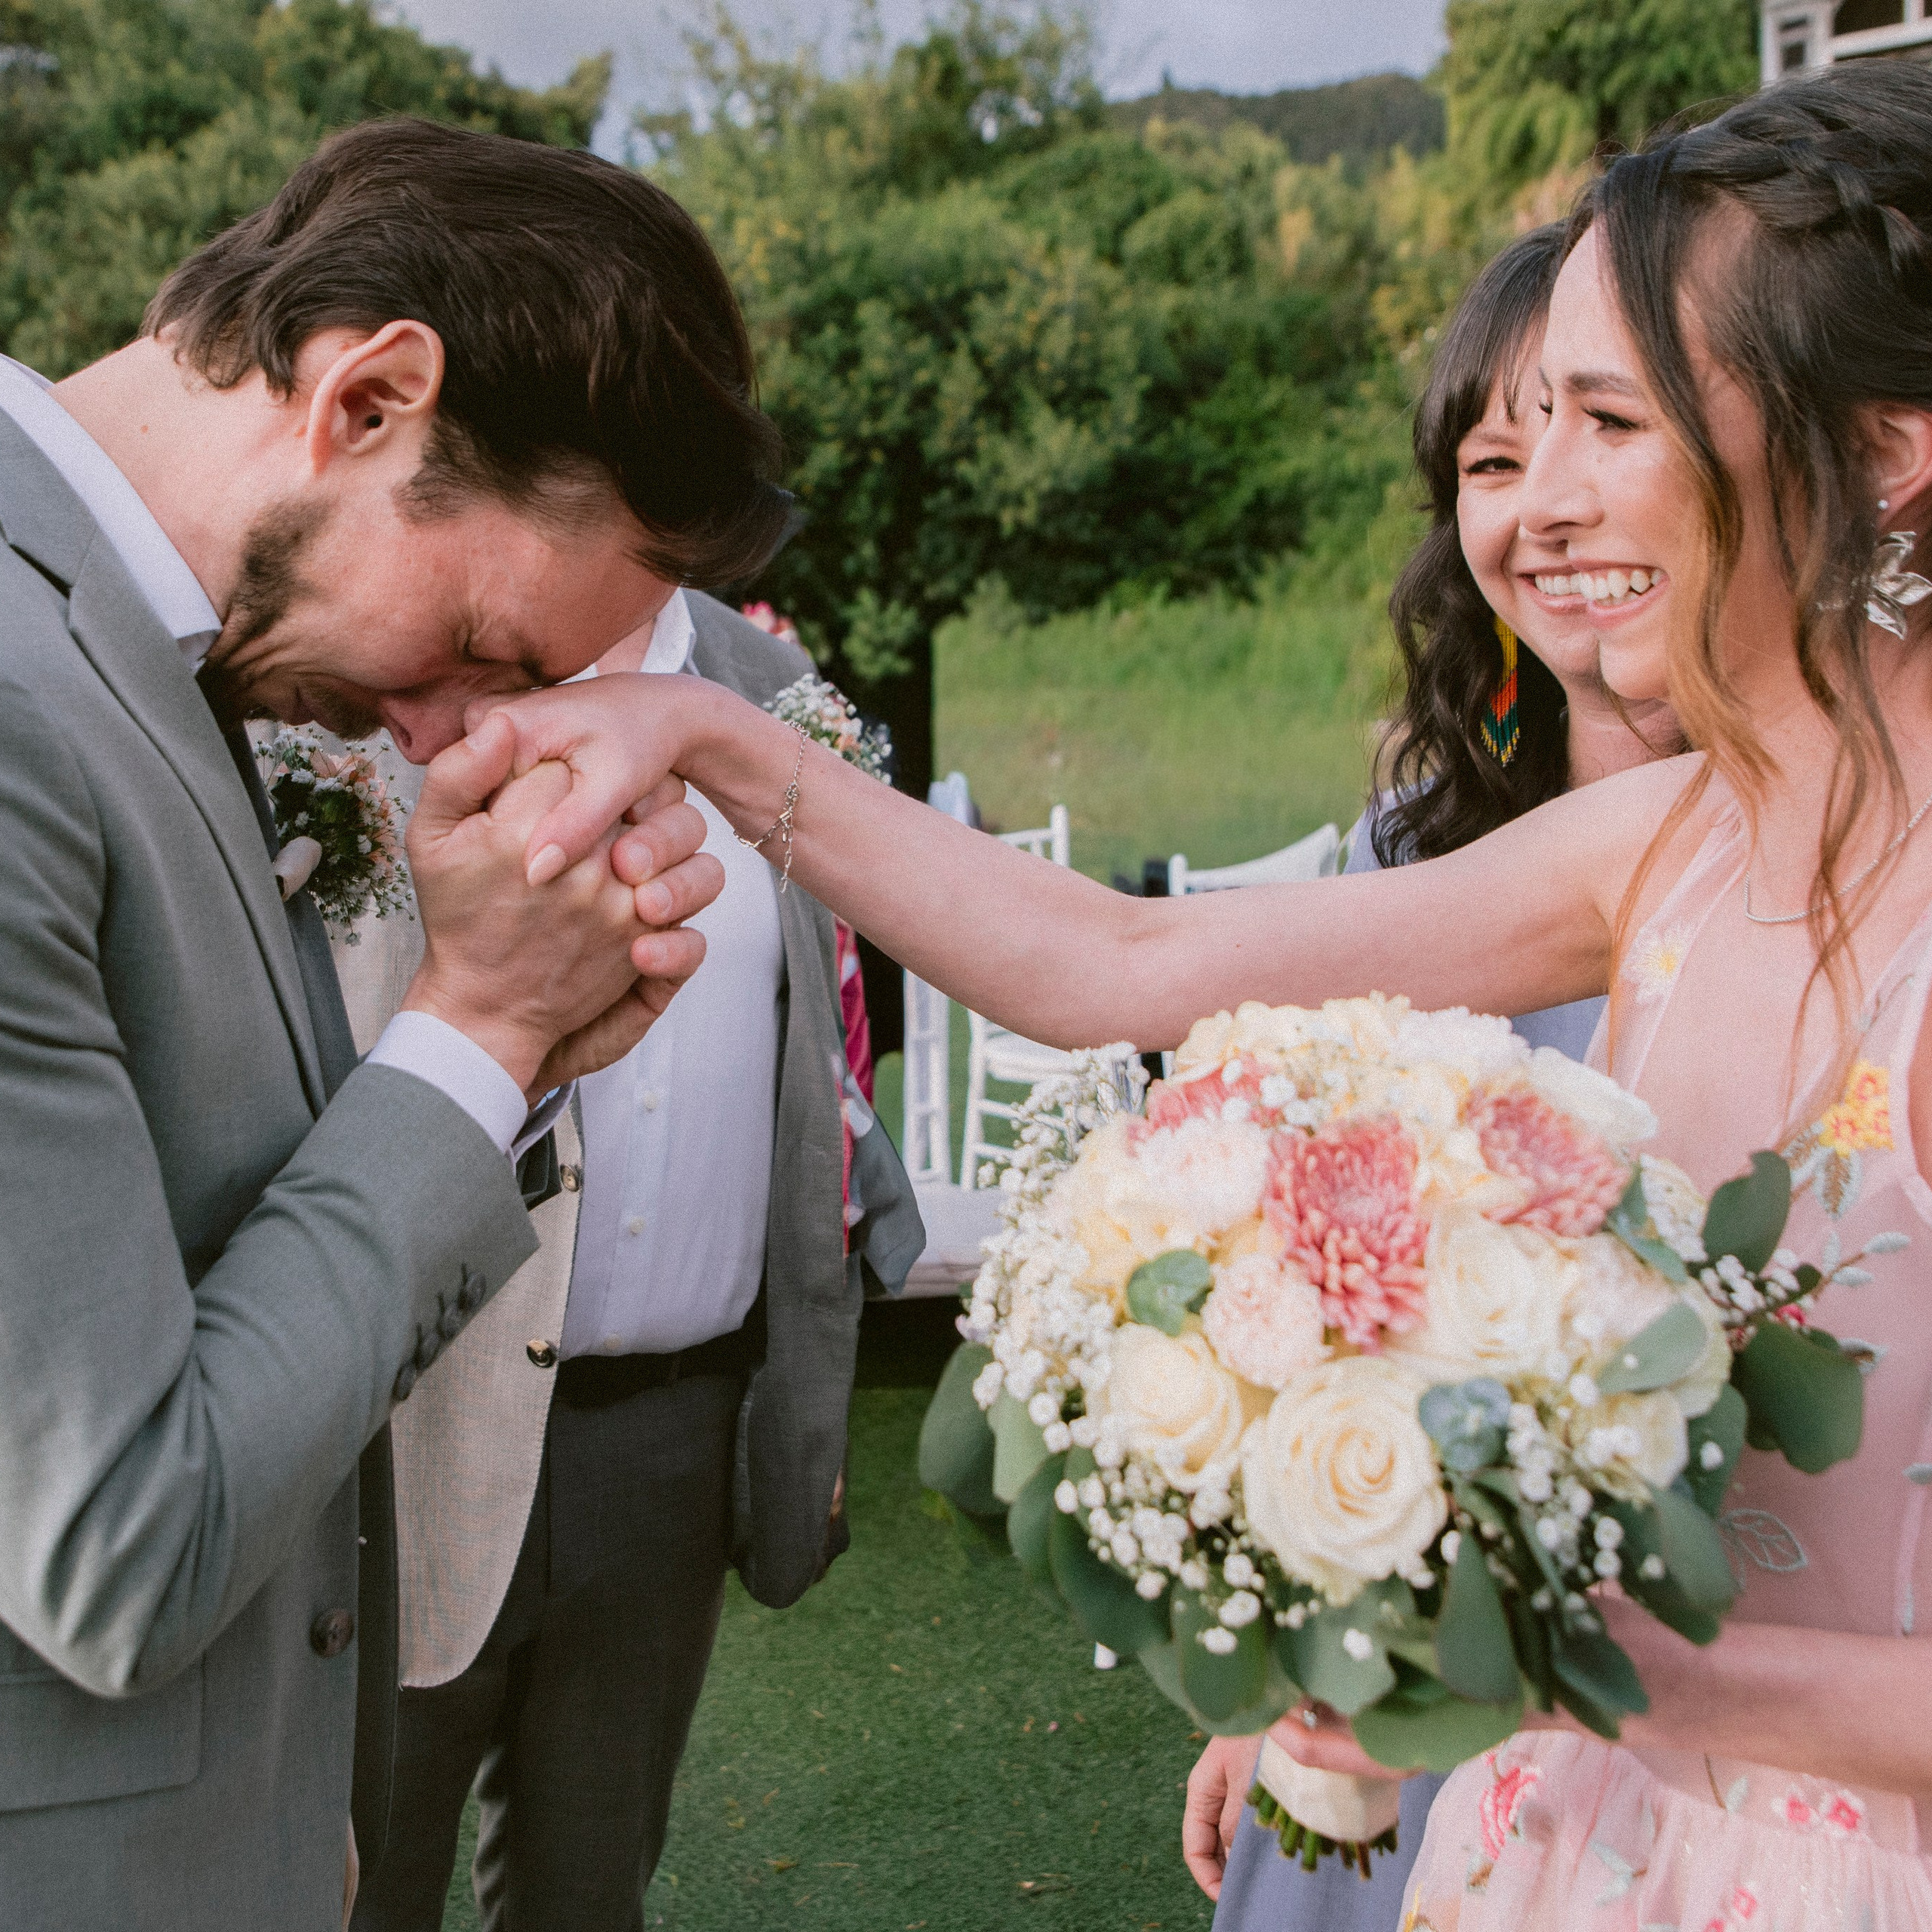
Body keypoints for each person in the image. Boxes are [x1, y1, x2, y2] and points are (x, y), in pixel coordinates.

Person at [482, 58, 1932, 1926]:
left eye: (1608, 420)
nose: (1538, 503)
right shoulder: (1669, 839)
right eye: (1524, 428)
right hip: (1585, 1847)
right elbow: (1117, 961)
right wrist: (698, 726)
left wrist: (1564, 1666)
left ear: (1886, 446)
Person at [0, 117, 771, 1932]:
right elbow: (116, 1544)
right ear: (369, 399)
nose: (446, 735)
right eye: (493, 647)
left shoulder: (140, 668)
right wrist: (478, 1026)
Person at [1181, 220, 1681, 1927]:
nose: (1539, 504)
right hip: (1386, 1691)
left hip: (1689, 1690)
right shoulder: (1400, 858)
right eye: (1489, 455)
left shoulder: (1823, 863)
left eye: (1600, 431)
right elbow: (1311, 1316)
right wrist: (1265, 1677)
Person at [345, 588, 920, 1932]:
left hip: (668, 1427)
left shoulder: (772, 684)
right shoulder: (409, 669)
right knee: (366, 1877)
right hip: (419, 1416)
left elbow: (814, 1034)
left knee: (592, 1890)